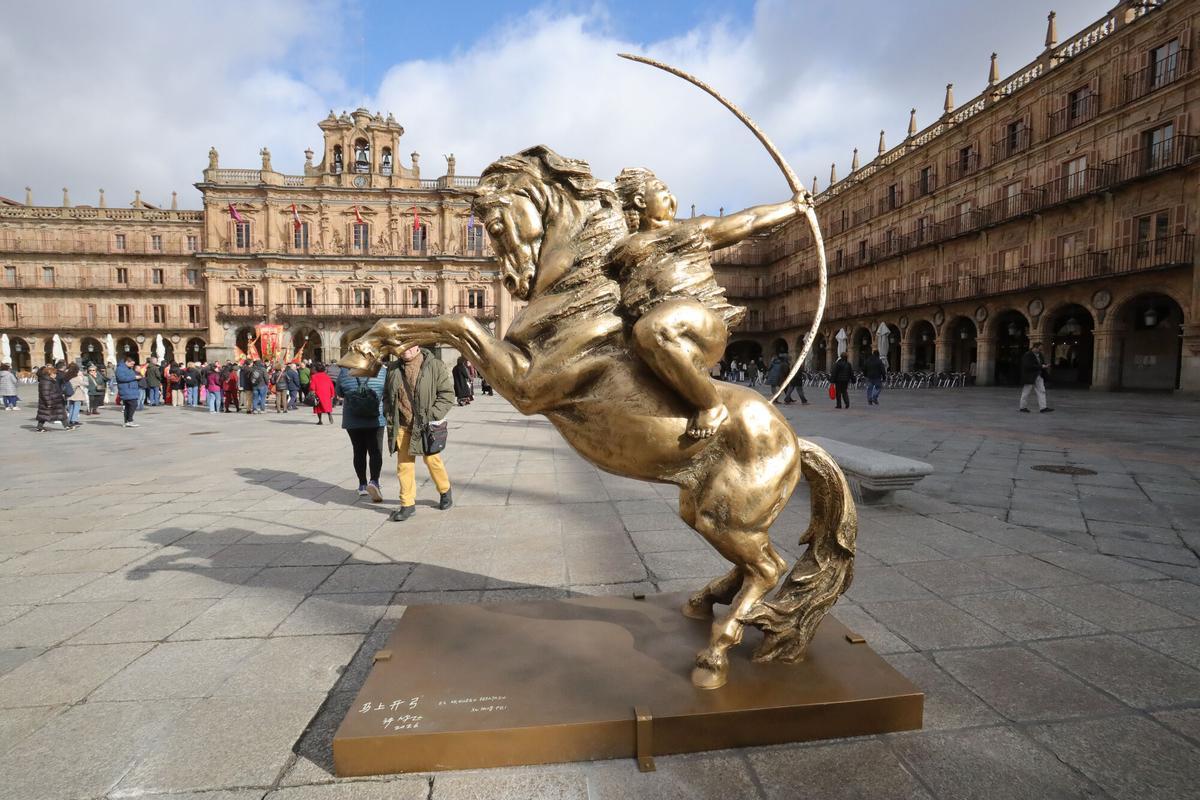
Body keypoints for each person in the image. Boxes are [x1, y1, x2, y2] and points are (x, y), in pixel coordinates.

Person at [612, 167, 810, 439]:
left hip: (699, 325)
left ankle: (711, 405)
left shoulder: (693, 230)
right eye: (661, 189)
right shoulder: (623, 247)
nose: (671, 196)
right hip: (655, 337)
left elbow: (749, 220)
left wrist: (792, 207)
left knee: (652, 328)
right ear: (638, 201)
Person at [382, 346, 454, 521]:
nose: (403, 350)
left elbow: (447, 395)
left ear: (417, 346)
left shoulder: (434, 365)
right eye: (400, 346)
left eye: (408, 346)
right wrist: (388, 412)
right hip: (402, 424)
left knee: (432, 460)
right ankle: (407, 504)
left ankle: (445, 491)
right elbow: (386, 394)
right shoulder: (393, 368)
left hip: (424, 425)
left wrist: (432, 415)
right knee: (404, 465)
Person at [338, 363, 387, 501]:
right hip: (376, 418)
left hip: (352, 417)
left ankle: (362, 485)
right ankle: (374, 481)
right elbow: (387, 390)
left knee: (358, 451)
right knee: (375, 450)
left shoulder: (345, 370)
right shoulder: (382, 370)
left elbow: (340, 392)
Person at [1019, 342, 1054, 413]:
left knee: (1042, 391)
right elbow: (1027, 366)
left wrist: (1045, 365)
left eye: (1041, 349)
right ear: (1034, 348)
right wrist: (1041, 366)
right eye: (1039, 349)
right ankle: (1023, 407)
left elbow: (1041, 363)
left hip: (1039, 376)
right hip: (1030, 376)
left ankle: (1043, 408)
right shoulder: (1028, 355)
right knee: (1026, 392)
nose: (1040, 351)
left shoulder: (1040, 355)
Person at [35, 364, 68, 432]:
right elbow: (45, 394)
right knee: (56, 413)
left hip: (54, 400)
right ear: (50, 374)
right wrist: (49, 403)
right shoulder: (46, 382)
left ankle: (39, 427)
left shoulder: (49, 380)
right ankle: (67, 426)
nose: (55, 375)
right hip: (51, 401)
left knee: (46, 414)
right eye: (54, 373)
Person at [115, 356, 142, 427]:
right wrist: (134, 377)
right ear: (127, 362)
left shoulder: (128, 368)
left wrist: (137, 378)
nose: (132, 365)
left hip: (130, 389)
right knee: (133, 404)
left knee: (127, 406)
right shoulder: (120, 368)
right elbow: (121, 378)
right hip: (126, 389)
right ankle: (130, 420)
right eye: (131, 364)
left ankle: (127, 421)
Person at [65, 364, 85, 428]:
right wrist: (83, 378)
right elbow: (84, 383)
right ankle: (74, 420)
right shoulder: (76, 378)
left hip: (69, 394)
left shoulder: (67, 376)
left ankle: (70, 420)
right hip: (77, 395)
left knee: (71, 407)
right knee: (76, 408)